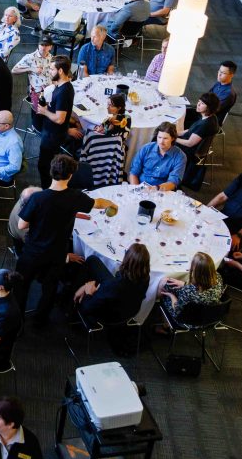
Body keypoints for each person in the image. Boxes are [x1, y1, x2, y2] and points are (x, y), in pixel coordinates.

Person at [16, 156, 112, 324]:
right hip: (57, 252)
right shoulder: (76, 197)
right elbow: (97, 203)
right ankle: (40, 320)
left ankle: (17, 319)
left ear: (51, 172)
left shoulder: (38, 198)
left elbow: (22, 224)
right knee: (50, 288)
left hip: (34, 252)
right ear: (71, 175)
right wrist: (113, 204)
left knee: (21, 286)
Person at [73, 243, 151, 326]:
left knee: (86, 292)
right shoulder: (146, 278)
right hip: (130, 311)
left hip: (109, 316)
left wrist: (88, 291)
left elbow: (86, 308)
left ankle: (71, 298)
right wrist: (87, 286)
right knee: (92, 260)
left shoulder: (112, 286)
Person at [76, 93, 131, 188]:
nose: (107, 107)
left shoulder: (108, 121)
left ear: (119, 108)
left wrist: (96, 129)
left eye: (111, 105)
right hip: (116, 153)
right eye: (107, 104)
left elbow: (101, 132)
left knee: (85, 131)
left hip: (98, 152)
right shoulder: (128, 119)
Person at [176, 92, 221, 189]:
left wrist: (174, 138)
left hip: (189, 151)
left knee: (158, 140)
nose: (198, 104)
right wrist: (177, 133)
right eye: (199, 101)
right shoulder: (210, 117)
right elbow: (191, 130)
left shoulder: (205, 125)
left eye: (202, 103)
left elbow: (189, 143)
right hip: (193, 146)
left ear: (209, 107)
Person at [159, 252, 225, 317]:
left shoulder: (188, 291)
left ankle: (165, 323)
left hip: (190, 321)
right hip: (211, 316)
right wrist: (184, 284)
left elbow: (177, 310)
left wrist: (171, 295)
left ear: (195, 270)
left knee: (164, 290)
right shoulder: (218, 277)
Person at [129, 122, 186, 191]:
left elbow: (173, 182)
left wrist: (155, 189)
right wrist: (136, 190)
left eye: (165, 138)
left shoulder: (180, 156)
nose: (161, 141)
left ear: (173, 138)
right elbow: (133, 173)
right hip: (139, 186)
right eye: (159, 137)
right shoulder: (146, 148)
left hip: (161, 191)